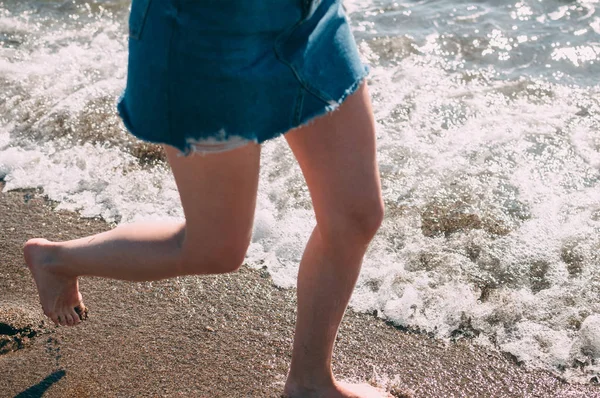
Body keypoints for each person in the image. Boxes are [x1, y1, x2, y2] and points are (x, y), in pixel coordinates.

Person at [24, 0, 386, 396]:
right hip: (205, 34)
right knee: (216, 249)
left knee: (354, 214)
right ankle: (56, 260)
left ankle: (310, 383)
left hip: (309, 18)